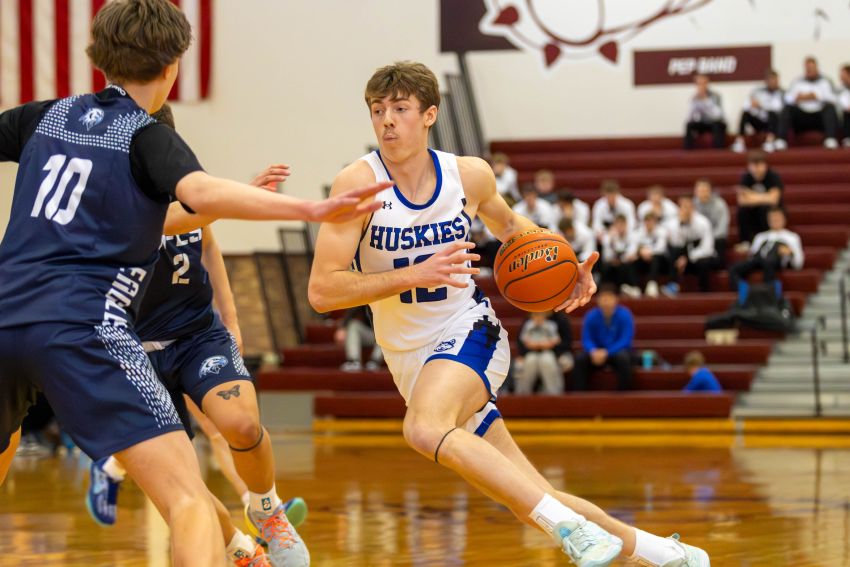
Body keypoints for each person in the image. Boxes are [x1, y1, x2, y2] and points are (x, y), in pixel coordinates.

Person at [0, 2, 387, 564]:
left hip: (5, 317)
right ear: (172, 66)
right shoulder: (145, 135)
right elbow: (201, 195)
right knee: (186, 499)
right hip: (81, 326)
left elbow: (186, 216)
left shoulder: (48, 116)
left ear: (100, 53)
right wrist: (309, 207)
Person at [308, 61, 708, 567]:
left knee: (423, 430)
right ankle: (666, 554)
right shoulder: (357, 185)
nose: (387, 121)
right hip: (408, 358)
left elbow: (515, 227)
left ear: (429, 114)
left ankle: (568, 531)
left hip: (469, 331)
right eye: (378, 110)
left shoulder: (467, 175)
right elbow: (323, 291)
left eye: (400, 109)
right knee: (530, 493)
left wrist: (568, 269)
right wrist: (412, 274)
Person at [84, 105, 309, 566]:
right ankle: (238, 550)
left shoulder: (187, 183)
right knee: (181, 482)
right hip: (134, 351)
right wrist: (241, 196)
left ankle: (266, 511)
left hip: (195, 334)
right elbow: (174, 221)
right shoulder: (111, 198)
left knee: (241, 424)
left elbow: (205, 239)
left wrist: (231, 317)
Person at [572, 284, 635, 392]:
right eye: (603, 298)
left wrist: (607, 352)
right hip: (596, 353)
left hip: (616, 352)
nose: (606, 301)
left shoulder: (625, 315)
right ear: (598, 300)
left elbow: (625, 340)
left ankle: (625, 394)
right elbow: (586, 338)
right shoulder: (591, 315)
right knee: (580, 359)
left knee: (624, 358)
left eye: (609, 297)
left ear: (616, 299)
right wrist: (593, 350)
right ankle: (579, 395)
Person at [729, 208, 804, 291]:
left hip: (775, 262)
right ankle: (744, 292)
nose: (774, 220)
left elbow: (799, 262)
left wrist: (790, 253)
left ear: (784, 219)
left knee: (769, 263)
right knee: (734, 268)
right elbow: (752, 255)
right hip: (759, 261)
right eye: (772, 218)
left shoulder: (791, 237)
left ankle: (768, 296)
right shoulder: (760, 236)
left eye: (777, 218)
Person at [775, 56, 840, 150]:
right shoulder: (797, 82)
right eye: (807, 68)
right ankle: (781, 140)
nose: (809, 70)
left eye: (812, 68)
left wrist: (816, 96)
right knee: (788, 108)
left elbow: (834, 99)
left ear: (817, 67)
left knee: (830, 108)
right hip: (802, 118)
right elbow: (787, 99)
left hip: (819, 118)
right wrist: (797, 98)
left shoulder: (825, 81)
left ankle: (830, 139)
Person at [663, 197, 715, 296]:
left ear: (693, 208)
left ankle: (704, 292)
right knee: (673, 253)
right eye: (683, 207)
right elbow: (675, 244)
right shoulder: (674, 223)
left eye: (688, 207)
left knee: (704, 263)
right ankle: (673, 285)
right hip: (683, 257)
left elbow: (707, 248)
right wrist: (681, 225)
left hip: (701, 257)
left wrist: (688, 257)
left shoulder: (703, 222)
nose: (685, 210)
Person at [735, 150, 784, 249]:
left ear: (765, 165)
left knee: (765, 208)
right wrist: (766, 196)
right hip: (753, 211)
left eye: (758, 165)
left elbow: (774, 200)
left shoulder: (773, 176)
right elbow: (742, 201)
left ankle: (767, 240)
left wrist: (751, 195)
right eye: (753, 165)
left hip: (770, 210)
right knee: (742, 211)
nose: (756, 169)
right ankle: (745, 241)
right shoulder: (746, 177)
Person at [731, 69, 784, 153]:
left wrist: (761, 105)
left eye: (775, 80)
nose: (774, 82)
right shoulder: (757, 92)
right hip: (759, 120)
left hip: (772, 123)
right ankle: (740, 142)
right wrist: (753, 105)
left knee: (772, 113)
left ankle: (770, 141)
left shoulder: (781, 93)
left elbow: (778, 108)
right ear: (766, 81)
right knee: (745, 113)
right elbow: (747, 106)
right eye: (771, 80)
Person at [514, 312, 563, 395]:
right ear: (531, 316)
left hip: (547, 351)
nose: (538, 318)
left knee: (548, 361)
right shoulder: (528, 325)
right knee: (529, 361)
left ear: (546, 316)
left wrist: (546, 344)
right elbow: (523, 340)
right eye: (536, 315)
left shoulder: (551, 325)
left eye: (541, 315)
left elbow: (556, 340)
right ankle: (523, 393)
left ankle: (553, 393)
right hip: (531, 352)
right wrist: (533, 345)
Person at [627, 212, 669, 298]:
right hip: (643, 260)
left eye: (651, 222)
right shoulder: (638, 232)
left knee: (656, 258)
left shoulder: (662, 231)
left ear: (655, 222)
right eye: (647, 222)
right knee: (632, 260)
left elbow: (661, 248)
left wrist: (647, 252)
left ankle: (652, 284)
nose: (649, 224)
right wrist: (638, 253)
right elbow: (632, 248)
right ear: (644, 222)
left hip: (661, 262)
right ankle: (635, 287)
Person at [601, 215, 642, 298]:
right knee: (607, 267)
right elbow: (606, 255)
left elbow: (631, 253)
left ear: (626, 225)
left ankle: (633, 287)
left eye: (622, 225)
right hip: (614, 263)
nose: (620, 228)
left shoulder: (633, 235)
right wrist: (612, 242)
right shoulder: (610, 237)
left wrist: (621, 259)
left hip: (626, 263)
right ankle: (607, 291)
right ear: (615, 226)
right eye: (618, 225)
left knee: (630, 263)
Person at [693, 178, 730, 267]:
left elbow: (722, 228)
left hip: (715, 239)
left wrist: (708, 239)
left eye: (705, 190)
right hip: (699, 239)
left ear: (710, 191)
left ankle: (717, 263)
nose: (702, 193)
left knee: (720, 241)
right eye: (700, 190)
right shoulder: (693, 205)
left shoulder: (720, 204)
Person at [683, 74, 726, 149]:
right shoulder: (694, 98)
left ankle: (719, 152)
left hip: (714, 123)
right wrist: (694, 105)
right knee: (689, 125)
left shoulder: (715, 96)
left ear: (707, 84)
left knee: (717, 125)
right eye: (699, 84)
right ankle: (688, 151)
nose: (701, 86)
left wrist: (706, 101)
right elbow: (690, 117)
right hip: (702, 123)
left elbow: (718, 115)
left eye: (703, 83)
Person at [337, 306, 384, 371]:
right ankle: (354, 361)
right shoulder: (366, 299)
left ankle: (375, 361)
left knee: (386, 331)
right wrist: (343, 327)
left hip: (385, 334)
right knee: (354, 325)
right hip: (370, 333)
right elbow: (353, 309)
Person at [837, 64, 850, 148]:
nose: (841, 77)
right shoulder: (840, 90)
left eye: (843, 75)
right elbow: (843, 105)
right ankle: (848, 138)